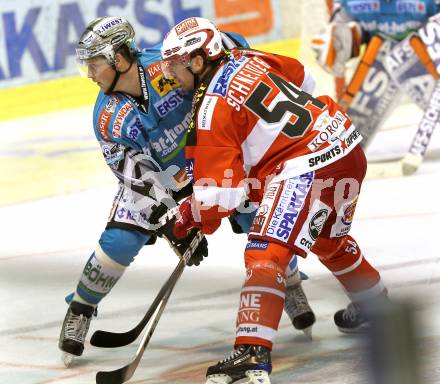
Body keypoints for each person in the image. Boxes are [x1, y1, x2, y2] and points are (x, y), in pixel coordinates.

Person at [58, 16, 314, 367]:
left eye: (94, 63)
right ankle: (82, 306)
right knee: (120, 241)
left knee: (259, 212)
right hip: (159, 181)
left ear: (118, 58)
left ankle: (292, 283)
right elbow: (134, 174)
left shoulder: (169, 66)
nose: (89, 74)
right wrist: (170, 221)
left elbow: (229, 49)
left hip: (209, 157)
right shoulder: (106, 116)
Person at [160, 16, 388, 384]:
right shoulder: (248, 57)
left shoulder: (210, 108)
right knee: (329, 241)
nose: (170, 75)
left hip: (306, 167)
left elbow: (222, 196)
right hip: (344, 143)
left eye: (176, 64)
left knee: (265, 251)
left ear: (200, 60)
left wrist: (190, 217)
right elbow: (302, 77)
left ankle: (252, 354)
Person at [311, 0, 440, 173]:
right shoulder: (350, 3)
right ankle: (343, 149)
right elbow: (342, 33)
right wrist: (340, 42)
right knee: (346, 146)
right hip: (380, 64)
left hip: (425, 60)